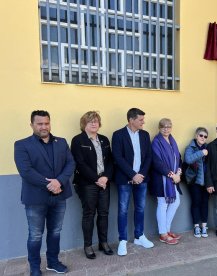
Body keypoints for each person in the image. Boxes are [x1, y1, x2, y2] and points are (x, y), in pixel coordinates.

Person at [14, 110, 75, 276]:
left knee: (55, 232)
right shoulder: (21, 145)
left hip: (59, 196)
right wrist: (50, 184)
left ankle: (53, 262)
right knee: (35, 235)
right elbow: (26, 171)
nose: (44, 127)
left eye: (46, 123)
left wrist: (59, 181)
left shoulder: (61, 142)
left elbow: (70, 164)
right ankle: (35, 267)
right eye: (39, 123)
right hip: (35, 198)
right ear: (32, 125)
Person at [71, 111, 114, 259]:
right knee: (89, 214)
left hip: (104, 182)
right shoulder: (78, 140)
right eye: (90, 122)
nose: (94, 123)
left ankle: (103, 243)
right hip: (87, 183)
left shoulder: (104, 139)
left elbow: (110, 161)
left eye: (96, 121)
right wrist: (97, 179)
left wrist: (106, 177)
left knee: (104, 213)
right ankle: (88, 246)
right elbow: (80, 164)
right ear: (84, 124)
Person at [112, 108, 154, 256]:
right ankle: (122, 240)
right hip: (125, 179)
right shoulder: (118, 135)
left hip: (142, 179)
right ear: (131, 120)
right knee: (123, 210)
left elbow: (149, 156)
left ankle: (139, 236)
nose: (144, 122)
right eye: (141, 119)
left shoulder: (145, 134)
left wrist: (141, 174)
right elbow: (117, 157)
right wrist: (132, 174)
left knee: (140, 208)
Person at [150, 118, 183, 245]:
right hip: (161, 179)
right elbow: (157, 162)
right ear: (159, 128)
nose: (166, 129)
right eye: (163, 126)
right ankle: (163, 234)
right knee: (162, 204)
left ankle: (167, 230)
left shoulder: (172, 140)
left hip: (173, 178)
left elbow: (178, 158)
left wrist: (178, 173)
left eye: (168, 126)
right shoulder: (156, 142)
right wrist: (171, 175)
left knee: (176, 202)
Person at [184, 127, 210, 238]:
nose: (203, 138)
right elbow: (188, 159)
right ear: (196, 136)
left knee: (205, 203)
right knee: (196, 202)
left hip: (206, 181)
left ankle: (204, 226)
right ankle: (196, 227)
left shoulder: (208, 148)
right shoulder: (191, 147)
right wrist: (201, 153)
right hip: (194, 180)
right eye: (201, 135)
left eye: (205, 136)